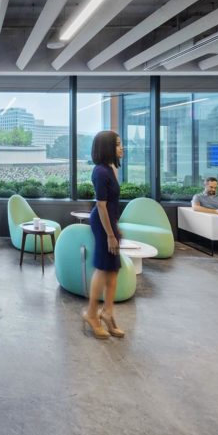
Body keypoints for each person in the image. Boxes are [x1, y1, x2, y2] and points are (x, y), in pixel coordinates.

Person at [82, 130, 125, 340]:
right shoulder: (100, 172)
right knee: (102, 268)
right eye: (117, 144)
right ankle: (91, 314)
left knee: (113, 268)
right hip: (102, 224)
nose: (121, 148)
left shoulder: (109, 169)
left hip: (109, 223)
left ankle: (107, 313)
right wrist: (110, 234)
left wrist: (116, 228)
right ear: (107, 148)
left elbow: (111, 204)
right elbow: (101, 205)